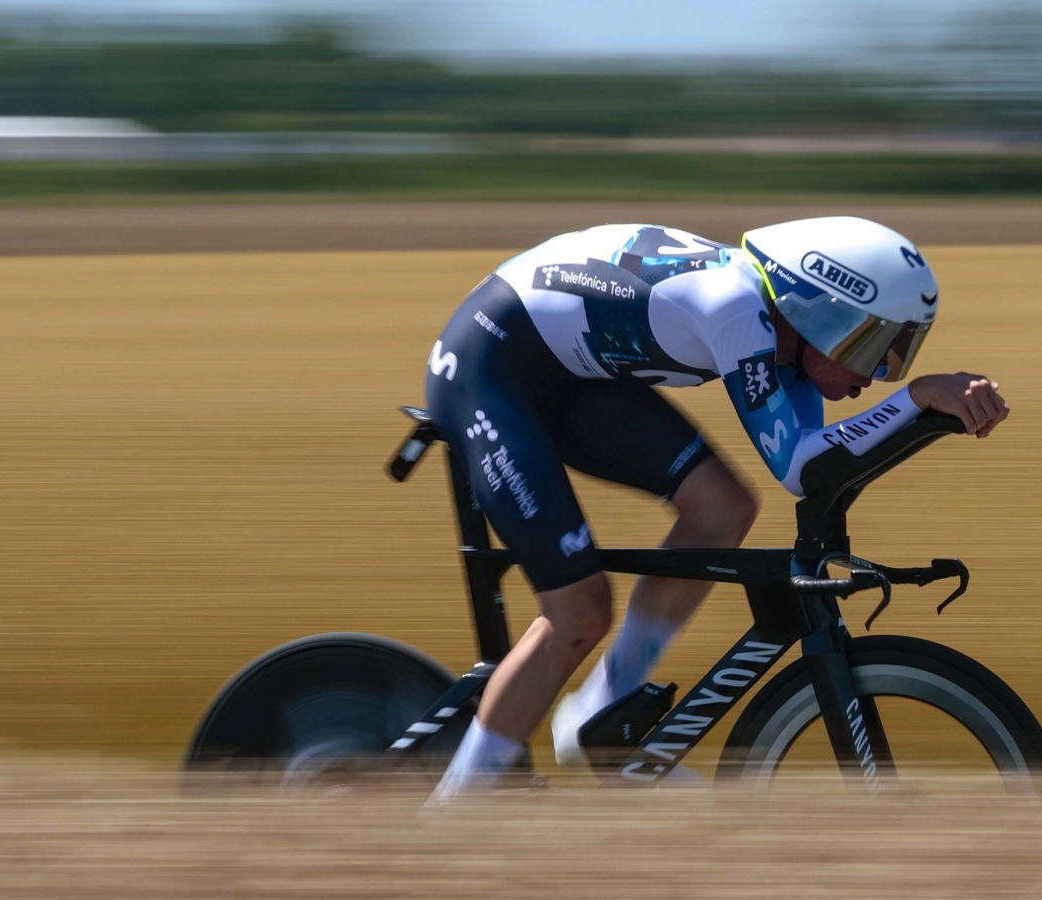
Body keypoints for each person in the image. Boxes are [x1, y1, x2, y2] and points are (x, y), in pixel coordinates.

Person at [421, 216, 1008, 801]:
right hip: (488, 367)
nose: (878, 373)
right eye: (873, 345)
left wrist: (919, 411)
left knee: (723, 508)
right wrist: (915, 399)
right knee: (579, 610)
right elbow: (801, 469)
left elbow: (821, 466)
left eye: (897, 355)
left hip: (566, 372)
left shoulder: (790, 336)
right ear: (818, 315)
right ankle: (456, 806)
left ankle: (600, 709)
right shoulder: (735, 307)